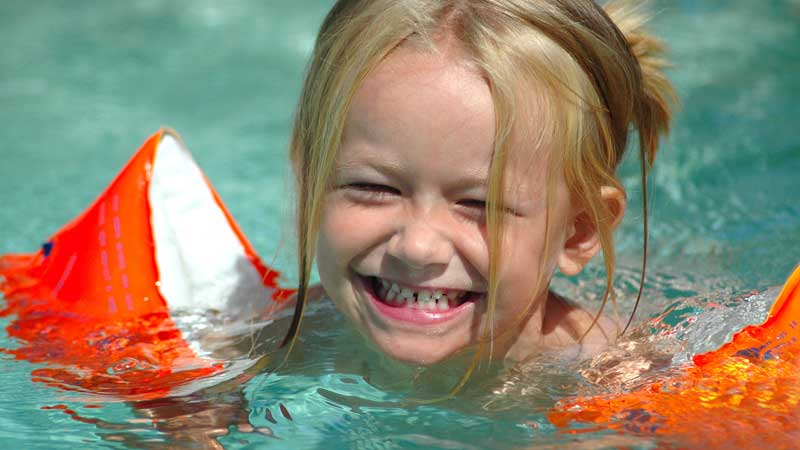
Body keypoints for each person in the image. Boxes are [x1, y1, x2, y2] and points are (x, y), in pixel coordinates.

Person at [282, 0, 676, 370]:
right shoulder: (296, 333)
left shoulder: (614, 380)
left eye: (479, 204)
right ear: (309, 185)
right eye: (375, 187)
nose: (417, 248)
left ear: (579, 231)